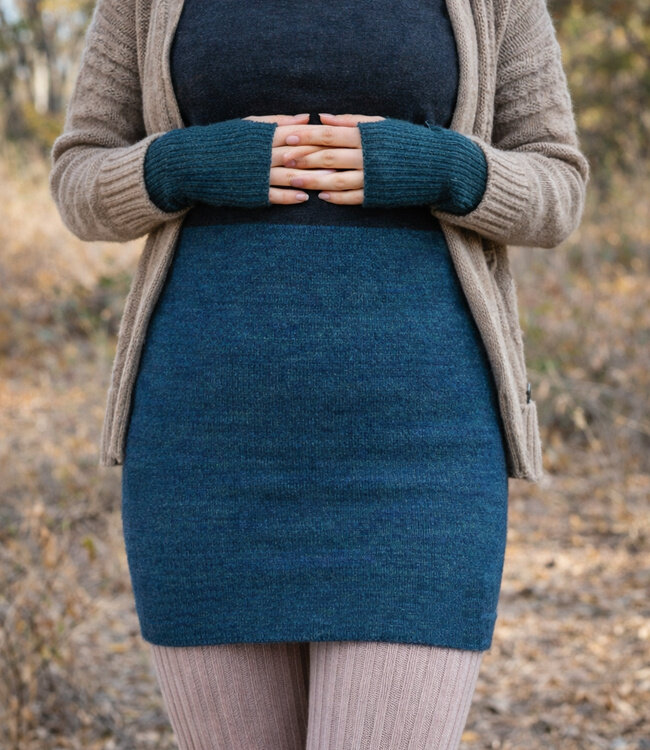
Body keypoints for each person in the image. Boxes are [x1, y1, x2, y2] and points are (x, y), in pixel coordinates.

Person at [48, 0, 590, 746]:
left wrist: (445, 167)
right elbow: (78, 175)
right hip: (203, 448)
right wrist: (179, 165)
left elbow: (559, 187)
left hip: (420, 452)